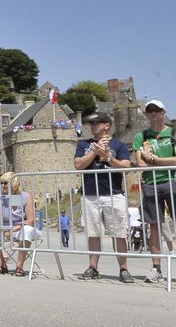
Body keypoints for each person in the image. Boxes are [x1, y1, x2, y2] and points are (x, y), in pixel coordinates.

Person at [75, 112, 133, 283]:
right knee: (93, 232)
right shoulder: (84, 144)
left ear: (107, 125)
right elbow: (78, 165)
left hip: (113, 194)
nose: (92, 126)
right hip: (91, 193)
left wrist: (108, 157)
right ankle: (93, 267)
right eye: (90, 123)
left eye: (96, 123)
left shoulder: (119, 145)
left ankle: (123, 269)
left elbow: (125, 166)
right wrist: (94, 151)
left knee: (119, 233)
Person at [133, 99, 176, 283]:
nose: (153, 114)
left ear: (163, 112)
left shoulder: (173, 132)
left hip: (172, 180)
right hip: (151, 183)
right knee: (154, 226)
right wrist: (149, 160)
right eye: (149, 111)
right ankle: (156, 268)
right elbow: (140, 162)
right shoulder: (141, 136)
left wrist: (155, 160)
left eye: (156, 110)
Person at [0, 173, 41, 277]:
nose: (3, 185)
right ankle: (1, 263)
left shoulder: (25, 196)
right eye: (1, 183)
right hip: (4, 229)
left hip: (21, 229)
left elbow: (30, 220)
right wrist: (4, 229)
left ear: (14, 183)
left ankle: (19, 265)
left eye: (6, 183)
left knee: (27, 230)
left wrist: (13, 229)